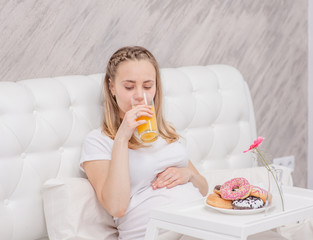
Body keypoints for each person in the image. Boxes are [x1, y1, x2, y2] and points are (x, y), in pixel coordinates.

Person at [80, 46, 208, 240]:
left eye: (148, 86)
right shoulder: (98, 141)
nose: (140, 95)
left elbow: (204, 189)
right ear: (112, 87)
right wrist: (122, 137)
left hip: (198, 224)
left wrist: (188, 174)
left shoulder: (166, 133)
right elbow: (117, 206)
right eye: (129, 87)